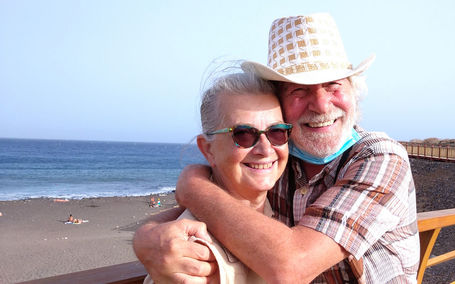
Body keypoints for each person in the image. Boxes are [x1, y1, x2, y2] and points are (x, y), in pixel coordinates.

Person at [134, 13, 419, 283]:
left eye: (333, 85)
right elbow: (215, 204)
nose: (321, 105)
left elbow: (291, 265)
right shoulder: (275, 159)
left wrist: (191, 186)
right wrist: (145, 239)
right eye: (299, 90)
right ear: (281, 105)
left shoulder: (379, 157)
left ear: (353, 91)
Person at [144, 71, 291, 283]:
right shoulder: (192, 256)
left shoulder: (289, 205)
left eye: (277, 131)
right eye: (244, 134)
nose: (266, 149)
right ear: (208, 150)